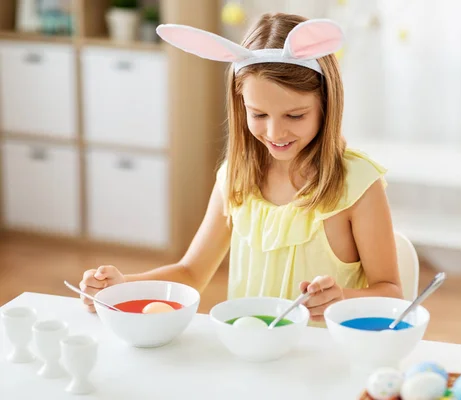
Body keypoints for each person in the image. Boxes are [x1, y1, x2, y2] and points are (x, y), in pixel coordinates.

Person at [78, 12, 402, 324]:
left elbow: (392, 294)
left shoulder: (357, 186)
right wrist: (122, 287)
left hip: (323, 363)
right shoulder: (235, 178)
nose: (275, 133)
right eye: (259, 115)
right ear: (240, 104)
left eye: (295, 116)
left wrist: (342, 299)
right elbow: (191, 273)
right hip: (248, 356)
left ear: (326, 107)